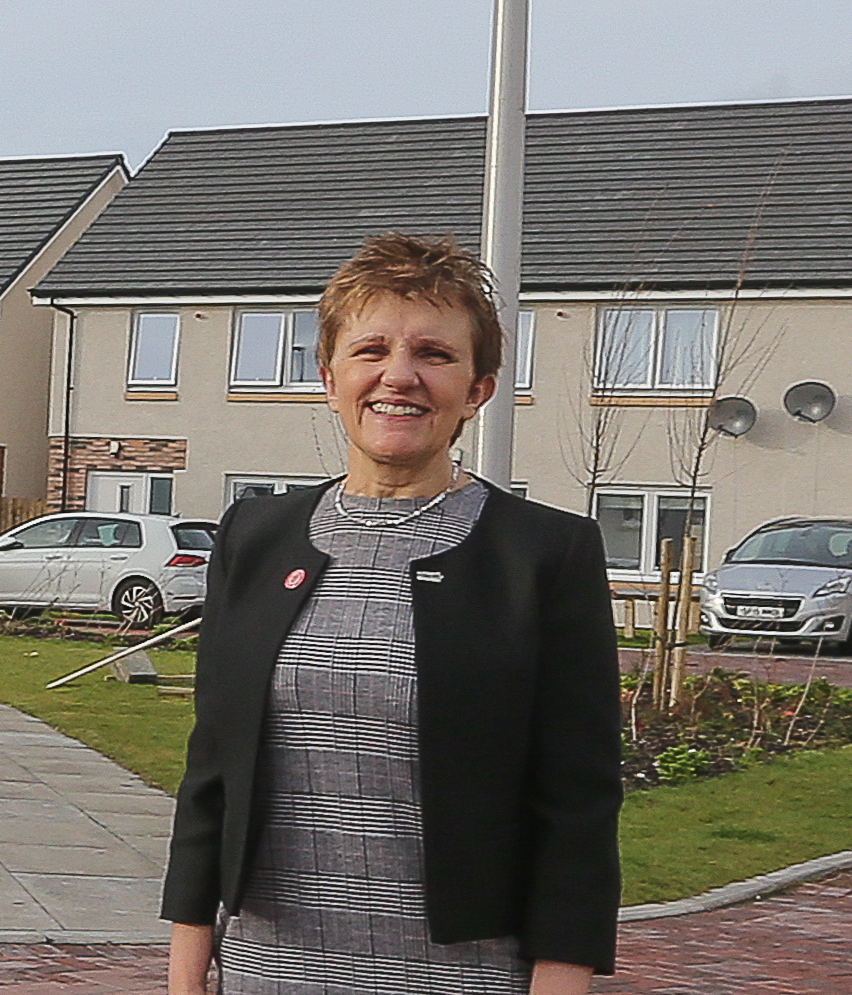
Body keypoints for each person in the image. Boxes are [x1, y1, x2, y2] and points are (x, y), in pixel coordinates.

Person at [162, 232, 623, 995]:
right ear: (330, 374)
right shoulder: (256, 536)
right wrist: (186, 969)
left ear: (479, 388)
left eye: (434, 355)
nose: (398, 376)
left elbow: (577, 802)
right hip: (269, 965)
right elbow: (211, 767)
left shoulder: (544, 554)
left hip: (464, 972)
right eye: (370, 348)